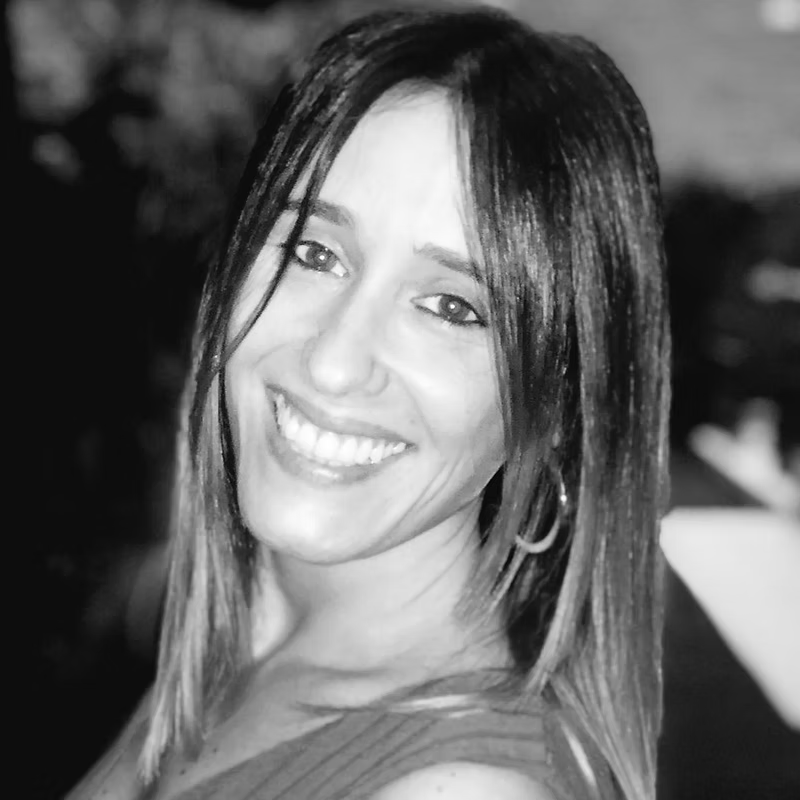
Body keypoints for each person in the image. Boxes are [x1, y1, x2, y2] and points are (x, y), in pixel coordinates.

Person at [67, 5, 670, 800]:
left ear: (557, 410)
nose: (335, 361)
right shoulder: (226, 648)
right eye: (315, 252)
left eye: (451, 307)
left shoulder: (460, 788)